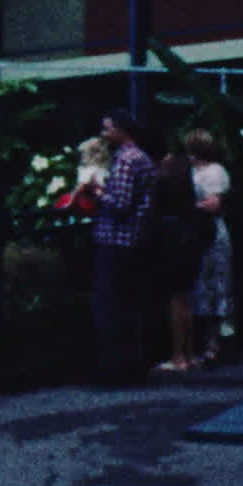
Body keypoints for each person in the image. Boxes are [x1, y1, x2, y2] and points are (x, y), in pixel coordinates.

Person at [91, 108, 158, 384]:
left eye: (107, 129)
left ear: (121, 130)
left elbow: (120, 204)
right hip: (134, 240)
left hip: (117, 241)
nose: (104, 134)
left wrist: (97, 192)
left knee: (111, 306)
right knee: (129, 305)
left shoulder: (127, 160)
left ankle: (117, 370)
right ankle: (132, 365)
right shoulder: (140, 157)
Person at [150, 152, 207, 375]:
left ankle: (178, 356)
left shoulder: (165, 203)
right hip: (190, 240)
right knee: (186, 298)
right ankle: (190, 354)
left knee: (175, 299)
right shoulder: (189, 200)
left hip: (172, 242)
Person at [183, 128, 233, 367]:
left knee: (216, 283)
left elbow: (213, 204)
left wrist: (187, 207)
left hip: (212, 233)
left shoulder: (215, 172)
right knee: (199, 285)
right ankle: (200, 342)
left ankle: (214, 342)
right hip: (194, 234)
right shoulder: (189, 171)